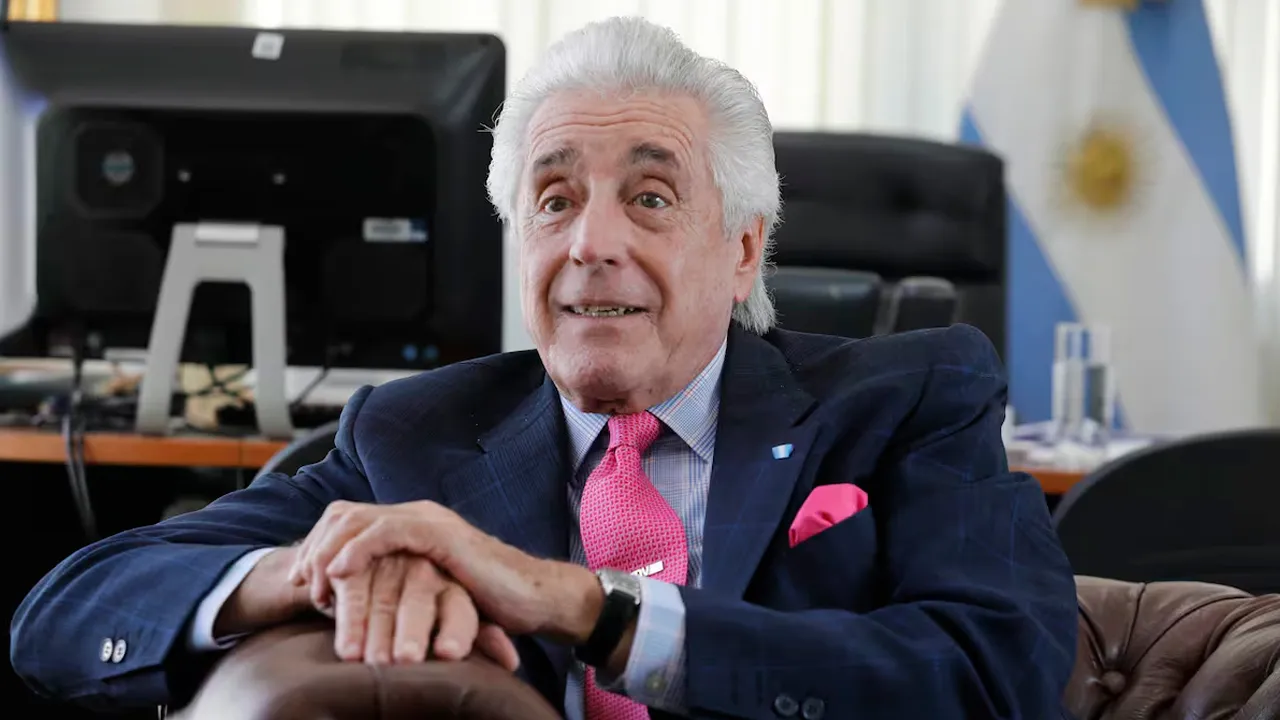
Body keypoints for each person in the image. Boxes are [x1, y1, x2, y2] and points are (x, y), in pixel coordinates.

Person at [10, 16, 1078, 720]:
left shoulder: (909, 398)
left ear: (744, 249)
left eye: (650, 199)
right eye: (554, 201)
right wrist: (309, 570)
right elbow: (64, 612)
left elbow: (1000, 675)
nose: (590, 244)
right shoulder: (413, 437)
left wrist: (588, 607)